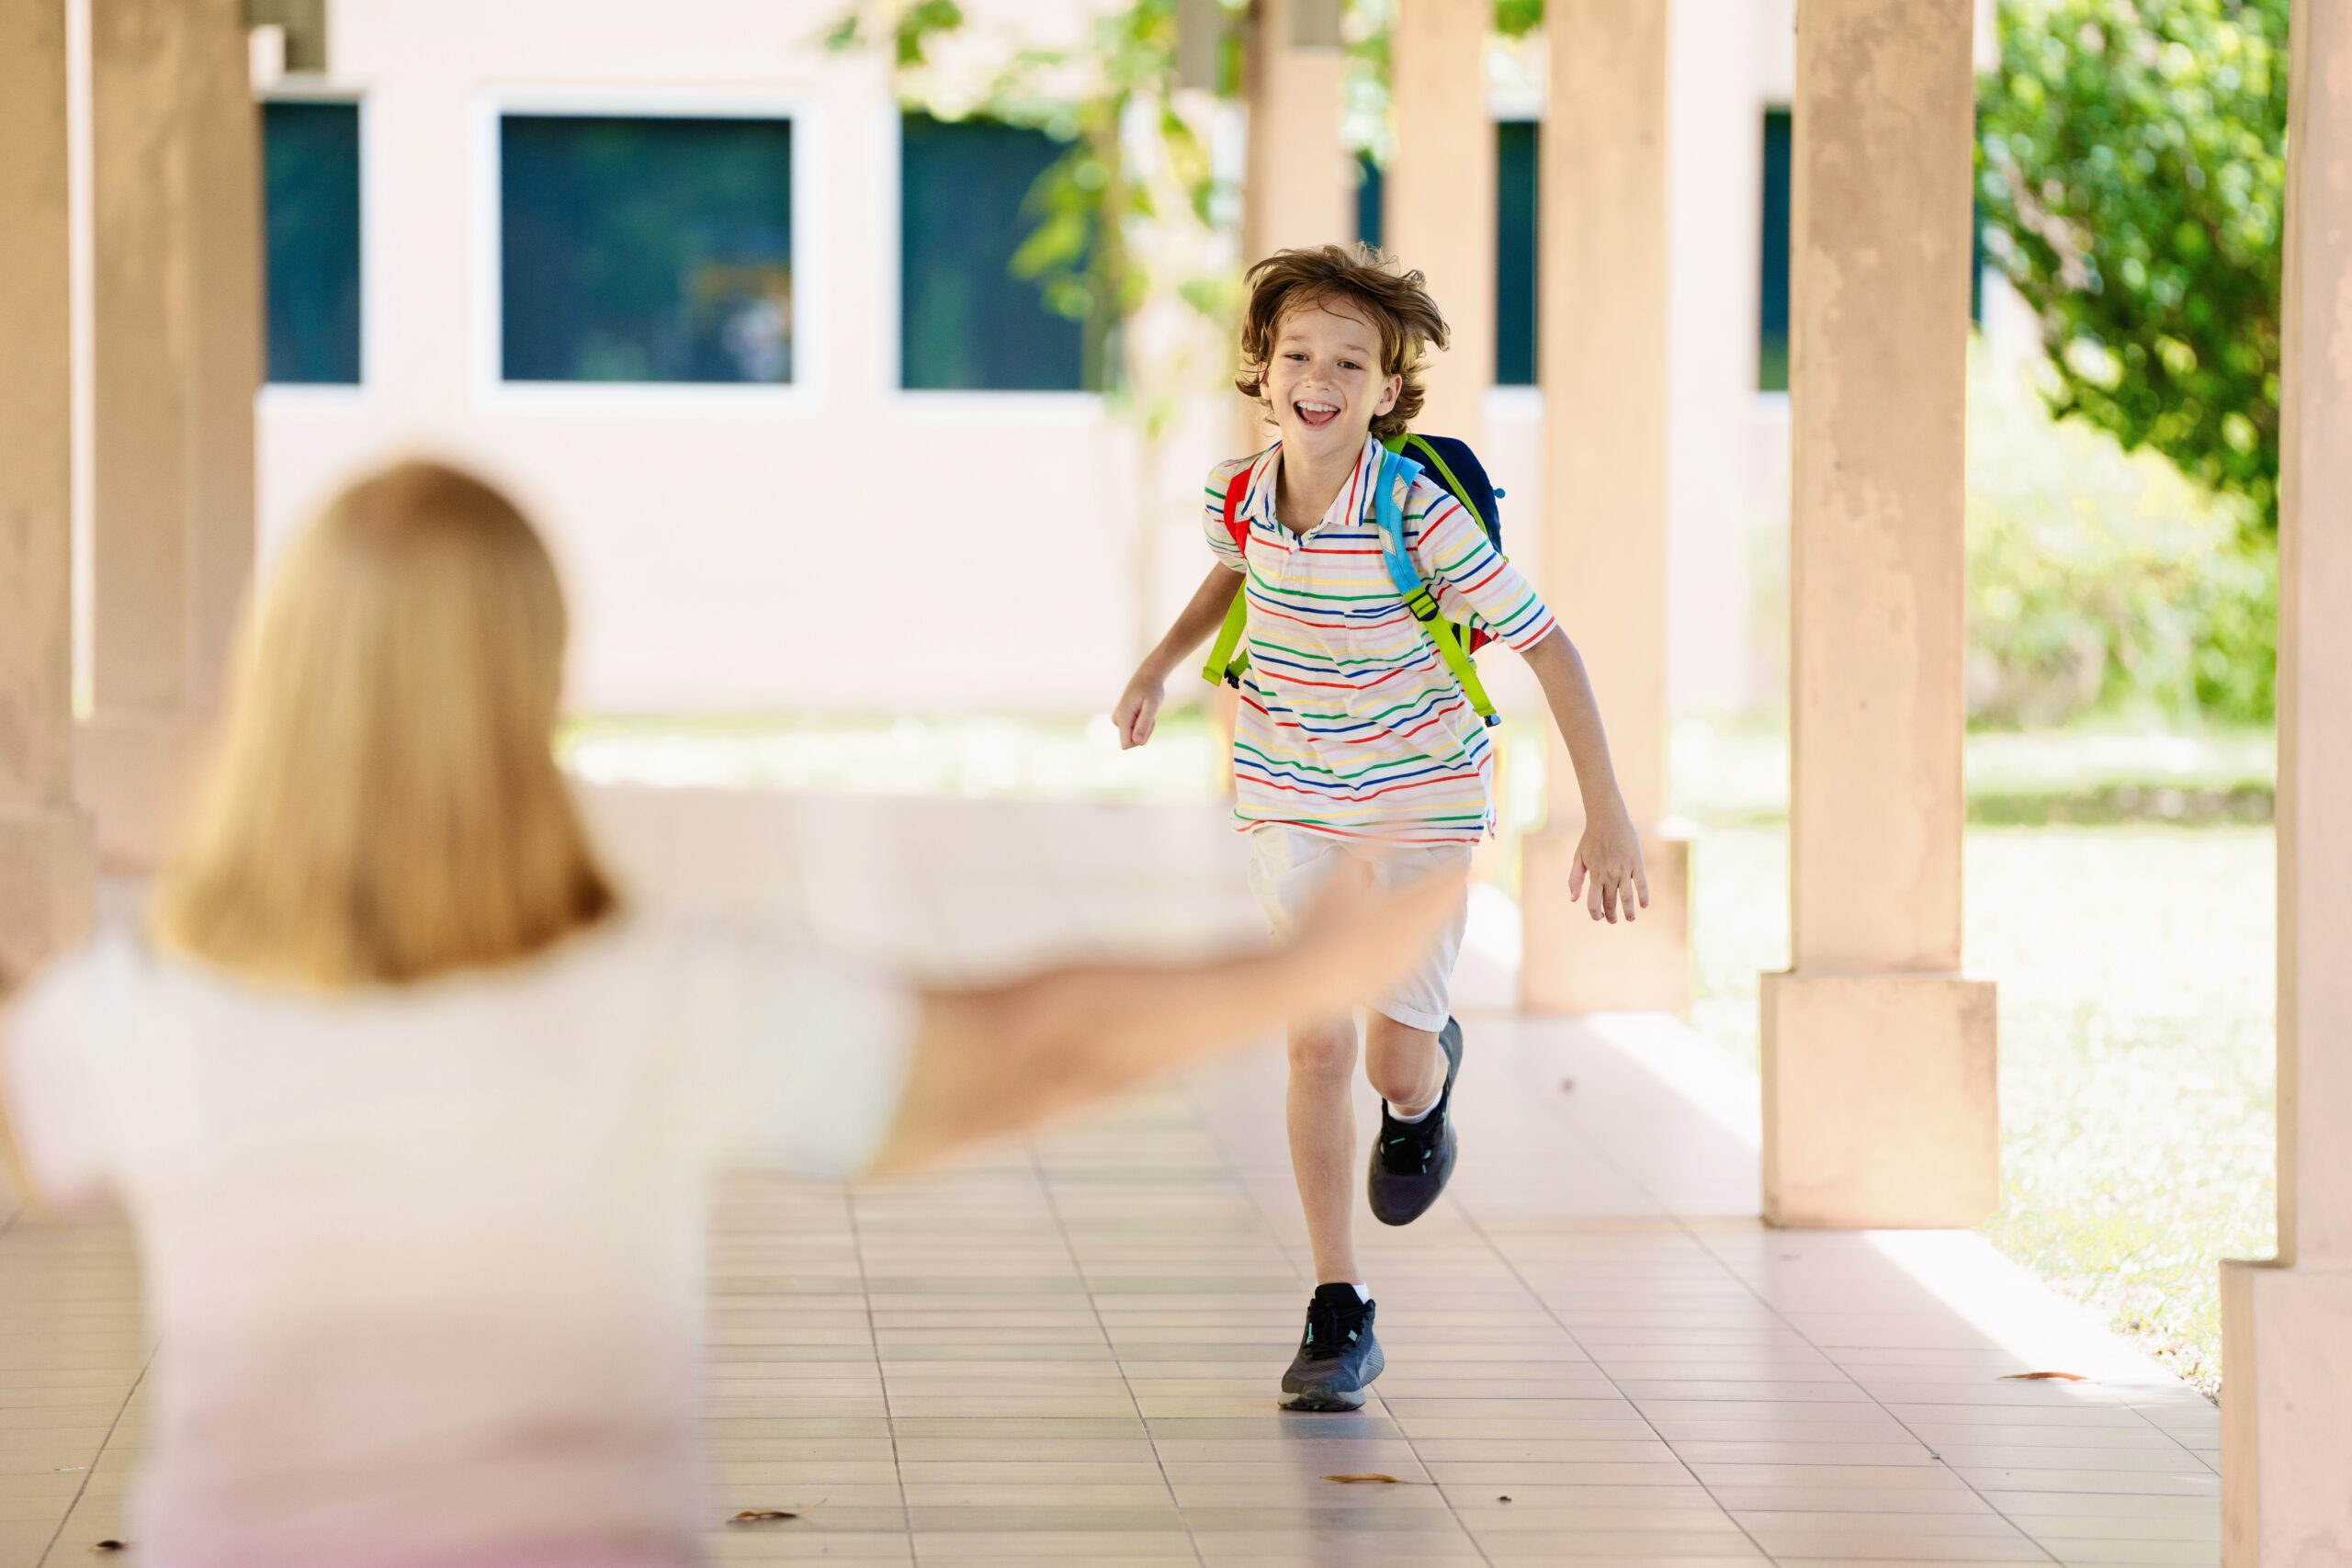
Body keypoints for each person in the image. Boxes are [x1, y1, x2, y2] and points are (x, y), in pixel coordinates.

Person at [0, 460, 1460, 1568]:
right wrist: (1294, 974)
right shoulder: (655, 1001)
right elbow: (1029, 1040)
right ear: (540, 684)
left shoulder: (141, 1020)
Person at [1112, 244, 1648, 1411]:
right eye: (1298, 354)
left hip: (1420, 801)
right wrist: (1159, 666)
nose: (1320, 377)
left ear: (1388, 390)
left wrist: (1604, 811)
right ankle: (1337, 1308)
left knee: (1393, 1054)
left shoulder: (1418, 513)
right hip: (1294, 793)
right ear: (1262, 372)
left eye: (1350, 362)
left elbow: (1546, 644)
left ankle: (1423, 1091)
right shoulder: (1238, 492)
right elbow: (1232, 571)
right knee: (1314, 1041)